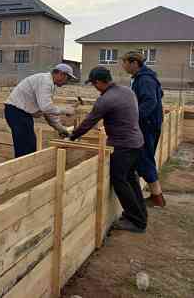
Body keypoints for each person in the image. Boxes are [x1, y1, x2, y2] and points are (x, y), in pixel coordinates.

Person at [70, 66, 147, 233]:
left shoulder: (106, 99)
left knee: (119, 180)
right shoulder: (126, 91)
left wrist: (72, 137)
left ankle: (136, 221)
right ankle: (139, 216)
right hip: (137, 142)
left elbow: (89, 122)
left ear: (99, 82)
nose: (94, 87)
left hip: (123, 145)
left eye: (93, 84)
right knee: (131, 180)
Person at [121, 51, 166, 207]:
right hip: (149, 123)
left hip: (147, 125)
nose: (123, 65)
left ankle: (157, 197)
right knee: (144, 157)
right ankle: (155, 195)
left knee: (145, 158)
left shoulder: (145, 79)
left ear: (134, 63)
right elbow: (160, 94)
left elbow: (150, 101)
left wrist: (134, 118)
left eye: (125, 62)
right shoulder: (144, 78)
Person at [5, 64, 76, 158]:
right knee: (25, 147)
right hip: (16, 112)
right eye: (68, 78)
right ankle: (22, 170)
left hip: (21, 113)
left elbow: (48, 111)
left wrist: (61, 129)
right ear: (61, 74)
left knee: (29, 145)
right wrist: (65, 110)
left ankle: (25, 169)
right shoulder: (45, 82)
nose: (67, 82)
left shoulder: (49, 83)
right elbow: (46, 107)